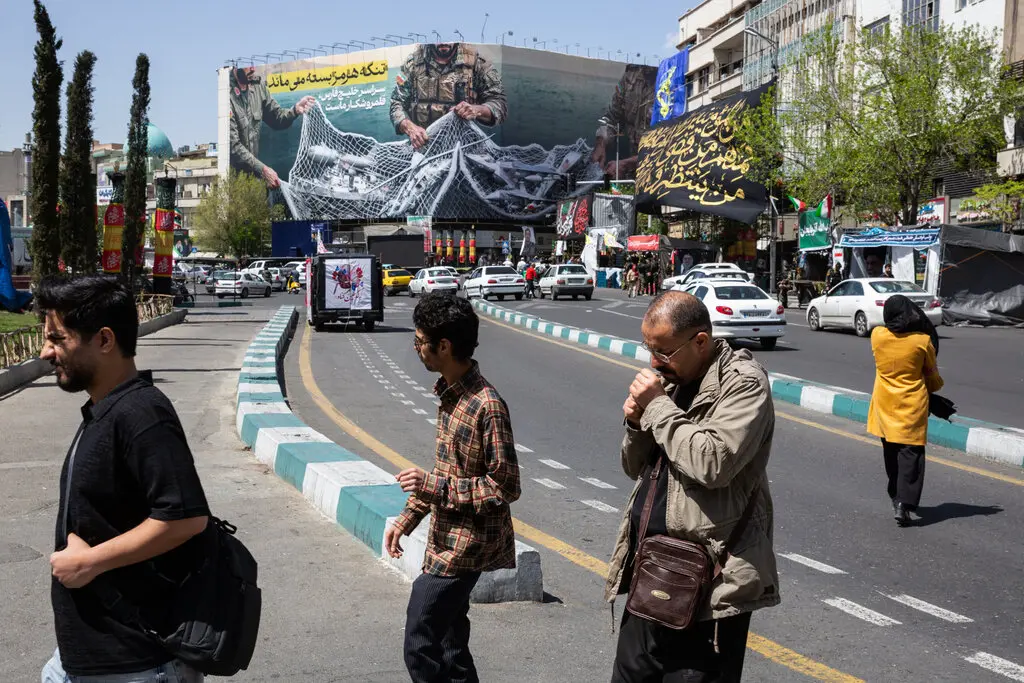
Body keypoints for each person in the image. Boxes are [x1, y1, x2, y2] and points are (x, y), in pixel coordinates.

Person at [37, 275, 210, 683]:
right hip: (91, 655)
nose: (46, 352)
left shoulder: (141, 414)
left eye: (58, 339)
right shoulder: (107, 409)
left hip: (135, 664)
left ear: (104, 340)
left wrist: (90, 562)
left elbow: (185, 518)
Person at [606, 291, 780, 682]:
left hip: (709, 586)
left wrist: (657, 407)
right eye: (649, 349)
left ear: (700, 341)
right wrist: (636, 425)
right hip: (650, 570)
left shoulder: (744, 384)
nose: (654, 362)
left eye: (663, 352)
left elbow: (711, 462)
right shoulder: (670, 380)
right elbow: (633, 467)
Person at [384, 294, 521, 683]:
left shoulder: (486, 405)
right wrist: (406, 519)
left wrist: (432, 485)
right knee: (450, 646)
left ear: (443, 346)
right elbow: (447, 471)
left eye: (419, 342)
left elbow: (505, 486)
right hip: (444, 538)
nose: (416, 349)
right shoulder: (450, 395)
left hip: (468, 546)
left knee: (420, 638)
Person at [867, 295, 943, 527]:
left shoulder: (877, 336)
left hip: (884, 405)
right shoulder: (921, 342)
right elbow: (933, 379)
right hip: (911, 406)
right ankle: (904, 504)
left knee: (891, 452)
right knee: (911, 456)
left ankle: (896, 497)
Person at [390, 43, 508, 150]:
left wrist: (477, 110)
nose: (443, 42)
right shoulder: (412, 64)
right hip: (423, 147)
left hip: (464, 147)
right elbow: (396, 102)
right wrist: (409, 127)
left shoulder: (477, 62)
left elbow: (499, 103)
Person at [229, 66, 315, 189]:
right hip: (233, 183)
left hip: (254, 180)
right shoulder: (226, 94)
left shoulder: (258, 87)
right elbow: (233, 146)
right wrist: (263, 169)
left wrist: (295, 110)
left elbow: (277, 118)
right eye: (248, 65)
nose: (253, 69)